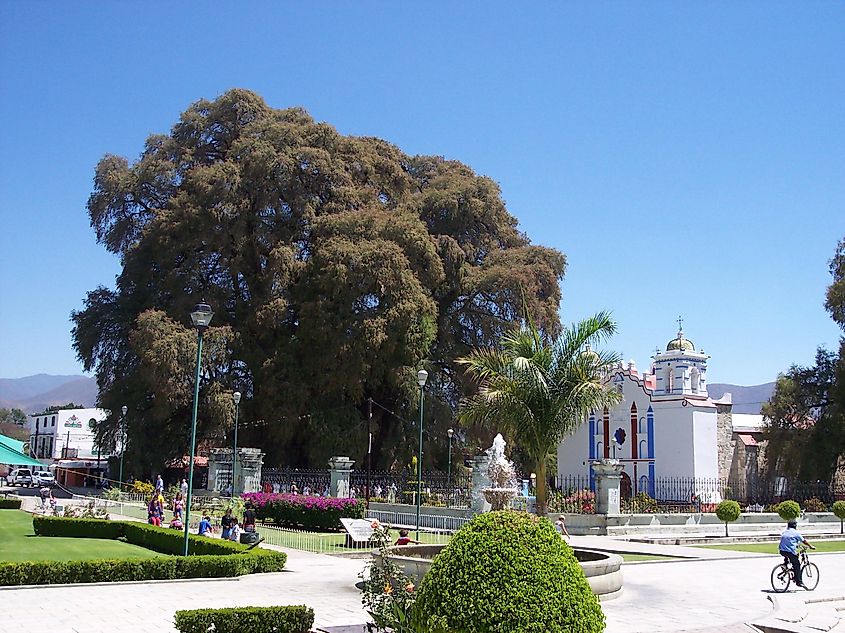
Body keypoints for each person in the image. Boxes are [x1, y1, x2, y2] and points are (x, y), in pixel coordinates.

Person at [779, 519, 815, 587]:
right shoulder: (796, 533)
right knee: (797, 564)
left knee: (789, 557)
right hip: (789, 552)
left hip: (782, 551)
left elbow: (789, 541)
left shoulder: (785, 532)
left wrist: (797, 545)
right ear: (795, 525)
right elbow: (804, 541)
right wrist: (810, 546)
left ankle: (785, 566)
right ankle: (799, 582)